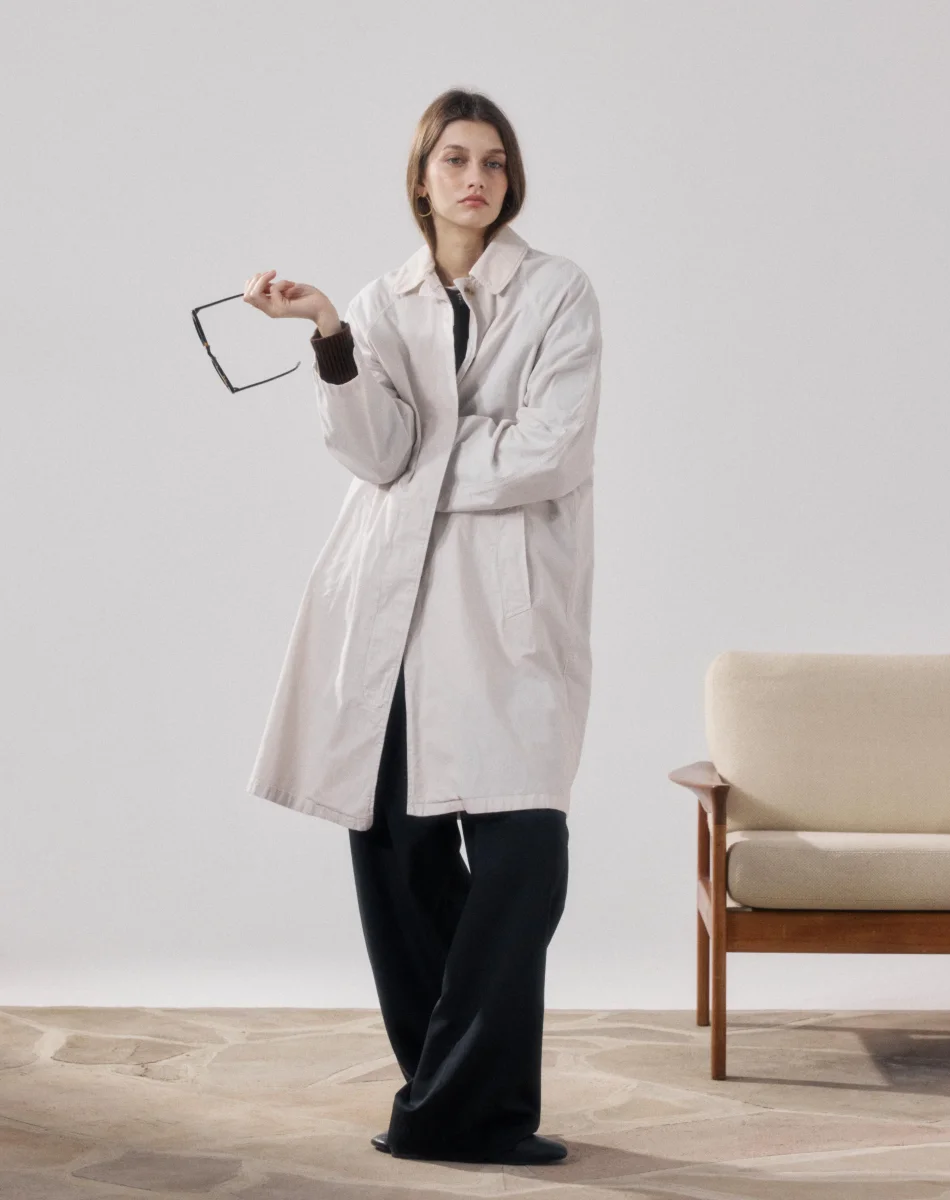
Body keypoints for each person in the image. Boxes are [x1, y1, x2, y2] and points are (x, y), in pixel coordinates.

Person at [242, 88, 603, 1167]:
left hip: (505, 608)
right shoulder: (377, 303)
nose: (476, 178)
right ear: (423, 177)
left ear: (510, 180)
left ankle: (455, 1106)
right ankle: (456, 1105)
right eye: (456, 159)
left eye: (494, 161)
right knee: (397, 854)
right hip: (391, 606)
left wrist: (426, 458)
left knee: (523, 853)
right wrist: (329, 333)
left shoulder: (558, 291)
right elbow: (373, 452)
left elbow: (551, 449)